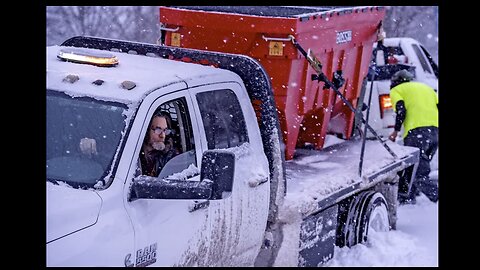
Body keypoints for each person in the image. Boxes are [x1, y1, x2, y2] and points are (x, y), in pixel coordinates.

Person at [388, 69, 438, 204]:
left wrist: (395, 131)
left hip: (416, 132)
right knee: (418, 166)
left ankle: (436, 195)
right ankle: (408, 197)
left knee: (417, 171)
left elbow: (401, 110)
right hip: (435, 132)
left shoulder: (396, 90)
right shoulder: (427, 88)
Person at [139, 111, 179, 177]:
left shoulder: (171, 158)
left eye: (165, 130)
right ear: (146, 130)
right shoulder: (133, 152)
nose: (162, 136)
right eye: (158, 130)